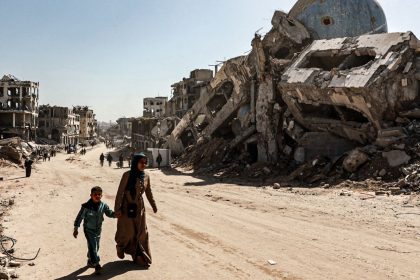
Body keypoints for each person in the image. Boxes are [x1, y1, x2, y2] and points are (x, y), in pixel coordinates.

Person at [114, 153, 157, 266]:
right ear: (135, 163)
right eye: (141, 162)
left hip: (139, 209)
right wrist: (117, 210)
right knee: (128, 232)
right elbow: (120, 193)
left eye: (145, 162)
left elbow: (148, 192)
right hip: (126, 206)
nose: (144, 164)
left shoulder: (146, 176)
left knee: (141, 232)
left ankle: (139, 255)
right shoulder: (127, 175)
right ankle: (120, 247)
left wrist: (153, 205)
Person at [73, 186, 117, 275]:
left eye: (99, 194)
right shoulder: (86, 206)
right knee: (93, 247)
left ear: (101, 195)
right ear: (91, 195)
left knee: (95, 246)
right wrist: (76, 228)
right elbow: (79, 217)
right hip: (88, 230)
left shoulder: (103, 205)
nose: (97, 196)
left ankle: (90, 260)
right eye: (95, 194)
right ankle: (97, 265)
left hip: (98, 230)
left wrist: (116, 215)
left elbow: (109, 213)